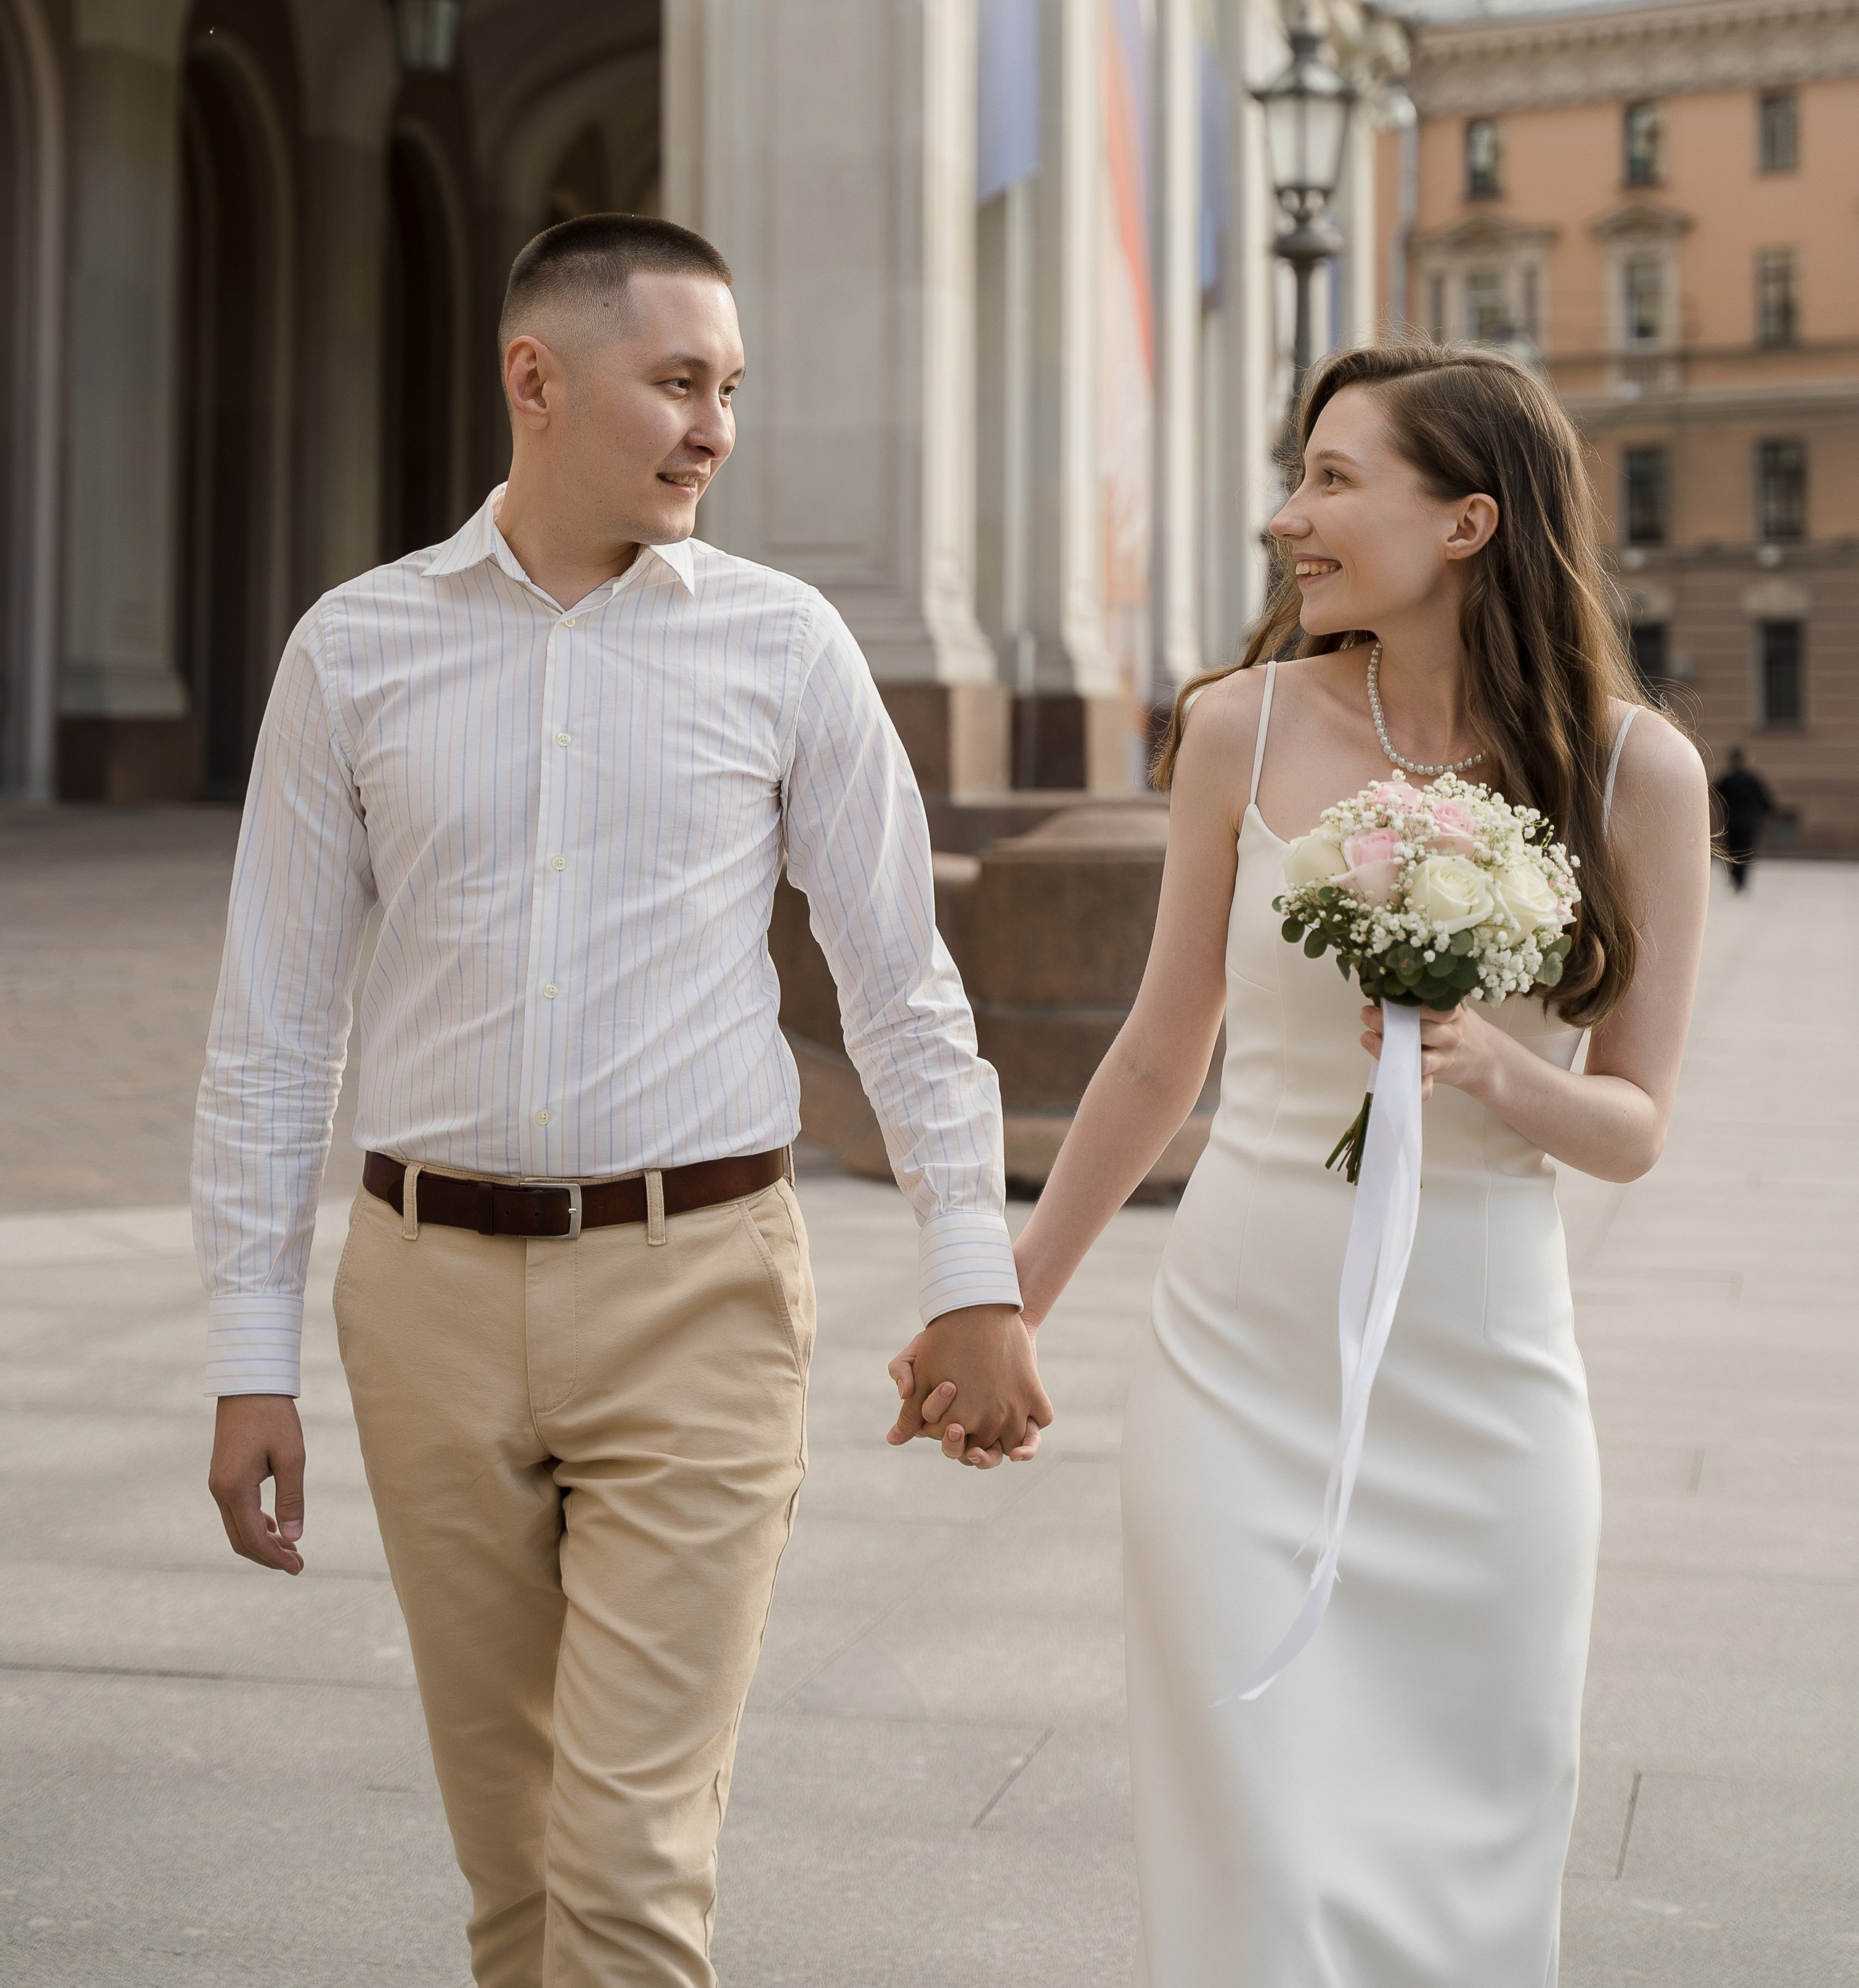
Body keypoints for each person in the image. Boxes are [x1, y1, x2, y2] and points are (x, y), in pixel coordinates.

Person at [193, 212, 1049, 1988]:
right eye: (675, 381)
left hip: (698, 1289)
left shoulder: (784, 643)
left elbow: (901, 980)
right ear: (535, 377)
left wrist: (973, 1272)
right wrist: (246, 1350)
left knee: (627, 1861)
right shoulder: (354, 650)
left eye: (727, 387)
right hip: (421, 1296)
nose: (713, 427)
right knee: (513, 1875)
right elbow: (274, 1024)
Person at [896, 342, 1710, 1984]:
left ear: (1468, 519)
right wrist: (997, 1300)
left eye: (1334, 480)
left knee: (1474, 1839)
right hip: (1237, 1358)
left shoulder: (1638, 773)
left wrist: (1494, 1069)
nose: (1289, 517)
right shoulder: (1234, 725)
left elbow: (1631, 1121)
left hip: (1484, 1371)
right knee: (1248, 1853)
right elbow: (1152, 1051)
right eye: (1299, 475)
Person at [1712, 746, 1775, 891]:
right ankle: (1741, 879)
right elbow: (1766, 801)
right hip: (1749, 822)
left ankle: (1735, 876)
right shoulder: (1753, 779)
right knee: (1746, 851)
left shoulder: (1729, 779)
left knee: (1733, 850)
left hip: (1732, 822)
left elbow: (1714, 792)